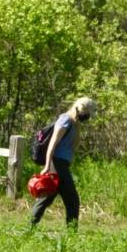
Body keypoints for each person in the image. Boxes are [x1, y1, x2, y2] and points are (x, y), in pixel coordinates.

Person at [31, 96, 97, 230]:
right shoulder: (65, 120)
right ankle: (71, 233)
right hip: (56, 164)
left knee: (47, 197)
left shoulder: (75, 123)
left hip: (62, 164)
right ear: (81, 110)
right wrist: (47, 166)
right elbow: (52, 144)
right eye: (88, 114)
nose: (88, 117)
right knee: (72, 199)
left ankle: (30, 225)